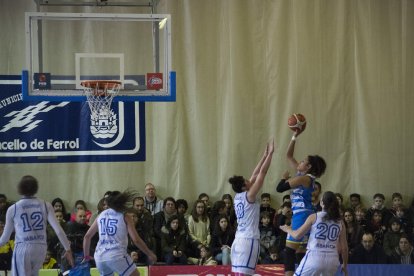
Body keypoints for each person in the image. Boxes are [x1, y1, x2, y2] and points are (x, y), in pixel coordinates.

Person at [0, 175, 74, 275]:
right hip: (40, 247)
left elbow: (5, 238)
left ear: (20, 188)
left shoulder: (13, 208)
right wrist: (67, 249)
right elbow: (59, 230)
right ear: (35, 188)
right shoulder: (46, 204)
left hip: (23, 247)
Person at [276, 131, 326, 276]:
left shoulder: (305, 179)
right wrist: (294, 135)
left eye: (303, 161)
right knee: (299, 252)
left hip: (302, 215)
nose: (300, 162)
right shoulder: (304, 175)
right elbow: (289, 156)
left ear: (308, 166)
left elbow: (280, 188)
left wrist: (283, 178)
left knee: (289, 252)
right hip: (305, 214)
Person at [83, 190, 156, 276]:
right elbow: (136, 240)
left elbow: (87, 237)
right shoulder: (125, 216)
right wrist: (149, 253)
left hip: (100, 257)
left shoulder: (101, 215)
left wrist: (86, 256)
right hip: (116, 255)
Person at [229, 140, 274, 276]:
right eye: (246, 181)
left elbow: (255, 174)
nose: (250, 180)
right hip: (248, 240)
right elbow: (262, 174)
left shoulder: (238, 196)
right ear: (244, 187)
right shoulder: (249, 196)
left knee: (238, 273)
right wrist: (271, 154)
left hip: (239, 240)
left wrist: (263, 156)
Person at [280, 191, 348, 276]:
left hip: (315, 256)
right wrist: (344, 265)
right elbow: (344, 248)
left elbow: (297, 235)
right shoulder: (340, 221)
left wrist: (288, 229)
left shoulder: (314, 216)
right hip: (332, 259)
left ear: (322, 203)